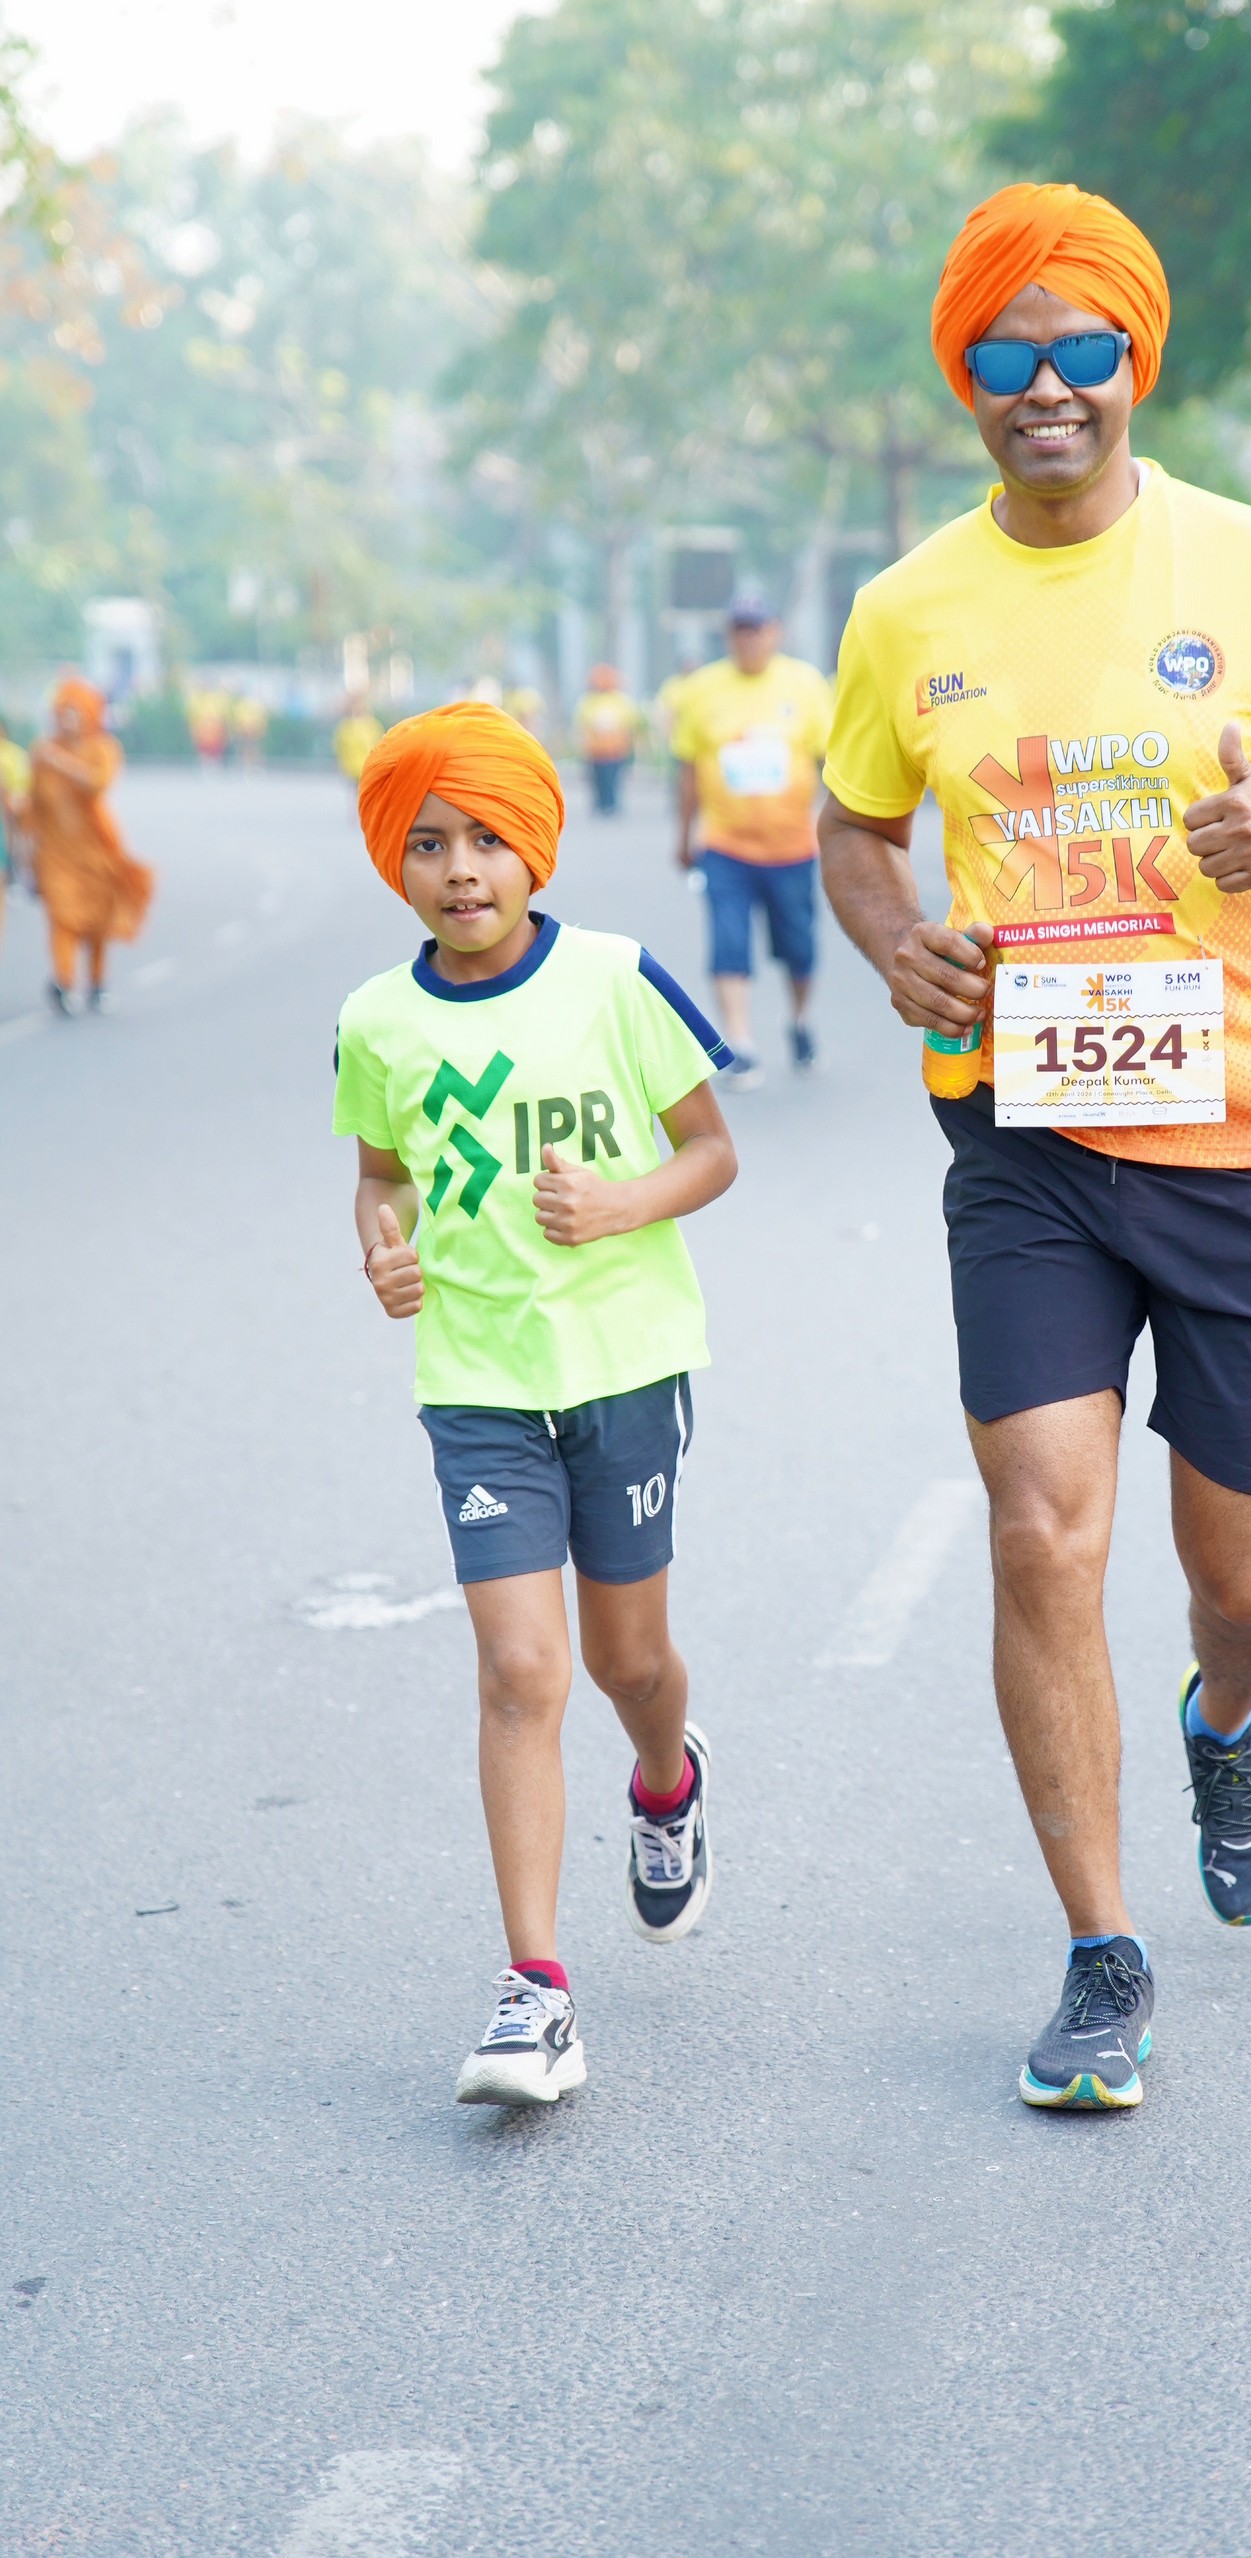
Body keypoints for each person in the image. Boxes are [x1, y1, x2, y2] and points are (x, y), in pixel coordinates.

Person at [818, 181, 1251, 2111]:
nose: (1049, 385)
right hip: (1027, 1131)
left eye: (1085, 348)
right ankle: (1101, 1951)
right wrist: (895, 939)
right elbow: (854, 826)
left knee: (1246, 1578)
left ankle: (1225, 1720)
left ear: (1134, 362)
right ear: (967, 379)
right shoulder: (907, 609)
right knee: (1040, 1528)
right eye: (1008, 355)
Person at [333, 701, 738, 2107]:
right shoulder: (376, 1020)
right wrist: (381, 1243)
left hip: (624, 1366)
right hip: (477, 1382)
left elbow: (710, 1149)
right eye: (427, 843)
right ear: (396, 861)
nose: (460, 869)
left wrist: (624, 1201)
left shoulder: (616, 979)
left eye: (487, 839)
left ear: (534, 849)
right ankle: (536, 1988)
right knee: (520, 1670)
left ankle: (666, 1779)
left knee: (629, 1663)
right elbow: (379, 1172)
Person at [672, 599, 833, 1088]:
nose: (749, 640)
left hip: (793, 847)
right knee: (728, 943)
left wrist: (839, 831)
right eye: (740, 631)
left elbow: (832, 762)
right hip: (725, 845)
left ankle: (799, 1020)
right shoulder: (702, 690)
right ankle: (741, 1044)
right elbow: (688, 768)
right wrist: (684, 835)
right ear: (729, 637)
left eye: (757, 630)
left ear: (775, 632)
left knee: (799, 949)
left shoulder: (805, 684)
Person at [27, 677, 155, 1016]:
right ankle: (64, 982)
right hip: (55, 853)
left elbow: (97, 783)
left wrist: (60, 762)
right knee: (62, 917)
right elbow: (33, 805)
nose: (67, 719)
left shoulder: (101, 749)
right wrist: (26, 852)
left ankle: (97, 982)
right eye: (63, 711)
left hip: (96, 849)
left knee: (96, 919)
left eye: (75, 712)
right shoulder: (42, 751)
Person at [574, 664, 644, 817]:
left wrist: (632, 741)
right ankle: (601, 803)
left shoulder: (621, 700)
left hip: (616, 748)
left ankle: (612, 804)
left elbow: (630, 722)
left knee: (613, 777)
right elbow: (582, 724)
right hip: (596, 749)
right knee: (598, 778)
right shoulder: (589, 701)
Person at [0, 715, 31, 957]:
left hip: (11, 812)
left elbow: (22, 785)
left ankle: (16, 876)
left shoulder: (13, 754)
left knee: (15, 844)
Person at [333, 696, 384, 796]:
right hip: (354, 768)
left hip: (367, 767)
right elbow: (340, 747)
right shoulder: (346, 726)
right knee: (360, 794)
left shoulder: (370, 724)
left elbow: (380, 745)